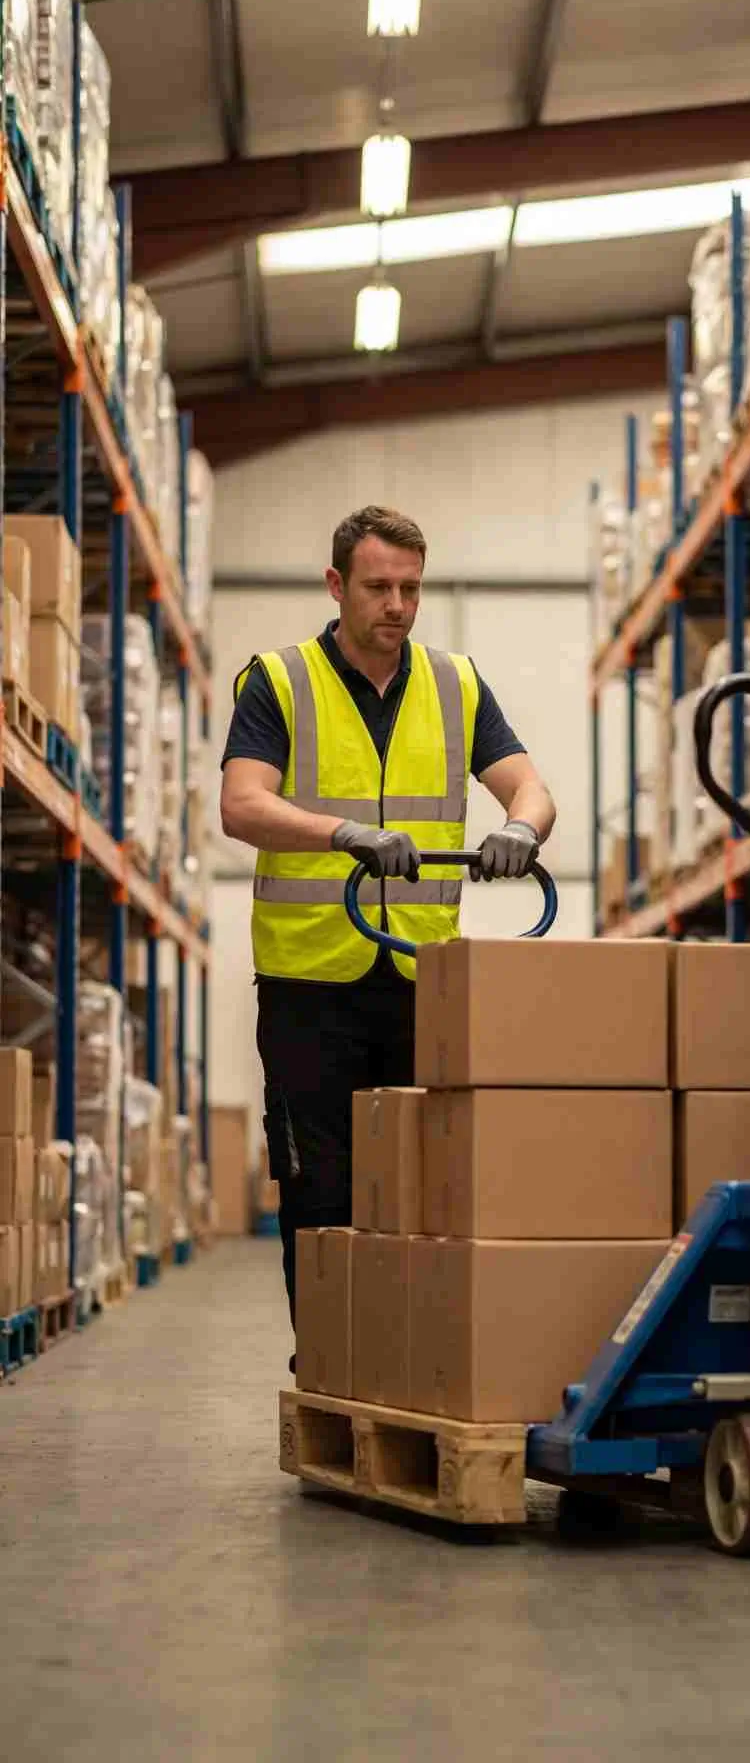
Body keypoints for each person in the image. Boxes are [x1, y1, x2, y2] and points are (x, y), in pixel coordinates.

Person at [220, 505, 556, 1343]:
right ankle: (333, 1365)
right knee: (320, 1194)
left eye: (410, 587)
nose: (397, 604)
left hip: (418, 980)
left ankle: (417, 1364)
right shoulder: (280, 679)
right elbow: (242, 804)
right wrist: (346, 834)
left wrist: (521, 828)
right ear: (337, 586)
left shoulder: (455, 684)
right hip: (308, 985)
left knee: (425, 1187)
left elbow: (530, 787)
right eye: (378, 587)